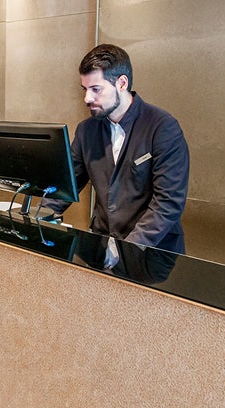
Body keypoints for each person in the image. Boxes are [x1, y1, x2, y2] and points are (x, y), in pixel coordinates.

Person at [45, 44, 189, 254]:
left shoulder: (163, 127)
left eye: (96, 89)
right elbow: (66, 184)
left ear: (122, 83)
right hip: (101, 246)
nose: (87, 98)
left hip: (152, 253)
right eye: (85, 89)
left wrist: (125, 249)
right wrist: (42, 215)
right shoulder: (86, 131)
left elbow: (167, 203)